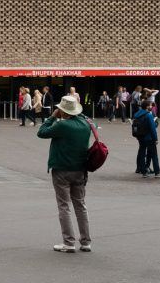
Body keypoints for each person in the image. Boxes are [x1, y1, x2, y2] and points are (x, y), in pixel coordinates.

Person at [37, 94, 92, 253]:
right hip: (80, 169)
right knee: (80, 205)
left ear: (63, 111)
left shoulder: (62, 126)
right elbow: (84, 117)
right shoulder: (86, 123)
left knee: (64, 206)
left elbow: (41, 132)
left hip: (62, 169)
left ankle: (69, 242)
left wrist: (52, 117)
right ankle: (86, 241)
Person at [132, 97, 160, 177]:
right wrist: (156, 138)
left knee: (142, 153)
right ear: (147, 106)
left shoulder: (137, 114)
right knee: (154, 155)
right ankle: (157, 172)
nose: (152, 107)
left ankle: (143, 172)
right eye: (150, 105)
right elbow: (152, 128)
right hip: (149, 137)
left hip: (140, 136)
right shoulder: (148, 115)